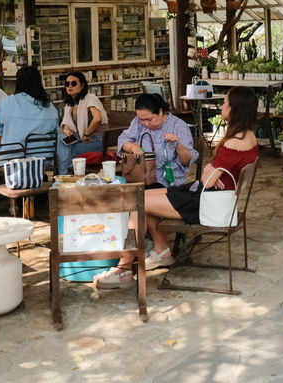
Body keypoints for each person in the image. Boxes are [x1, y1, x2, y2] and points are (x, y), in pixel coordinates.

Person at [95, 86, 258, 288]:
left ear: (236, 109)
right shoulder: (248, 137)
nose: (222, 107)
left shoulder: (232, 142)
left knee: (138, 202)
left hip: (206, 201)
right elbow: (210, 172)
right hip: (208, 195)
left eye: (225, 103)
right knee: (142, 196)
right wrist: (210, 169)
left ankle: (125, 268)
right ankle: (160, 252)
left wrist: (209, 169)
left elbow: (208, 175)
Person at [117, 93, 198, 188]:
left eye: (149, 119)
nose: (145, 123)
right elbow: (123, 140)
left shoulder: (178, 126)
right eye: (141, 119)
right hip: (142, 179)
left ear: (160, 111)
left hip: (169, 183)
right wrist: (133, 147)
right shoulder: (138, 122)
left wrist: (178, 144)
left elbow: (186, 161)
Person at [0, 66, 58, 158]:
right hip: (43, 160)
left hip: (13, 162)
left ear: (18, 82)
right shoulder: (49, 106)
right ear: (39, 82)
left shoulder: (7, 102)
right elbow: (55, 132)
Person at [56, 71, 108, 174]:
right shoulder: (70, 104)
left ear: (82, 85)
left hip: (96, 140)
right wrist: (66, 128)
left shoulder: (90, 98)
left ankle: (65, 175)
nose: (70, 86)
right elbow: (66, 122)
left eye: (74, 83)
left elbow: (97, 118)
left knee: (67, 150)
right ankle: (66, 174)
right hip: (81, 139)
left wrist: (87, 133)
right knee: (60, 136)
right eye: (67, 84)